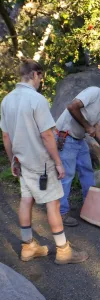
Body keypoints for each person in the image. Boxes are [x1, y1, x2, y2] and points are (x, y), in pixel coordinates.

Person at [0, 58, 88, 264]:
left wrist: (13, 159)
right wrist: (58, 162)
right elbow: (47, 136)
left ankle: (28, 246)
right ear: (35, 75)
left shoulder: (6, 100)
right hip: (41, 163)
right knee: (53, 204)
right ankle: (63, 251)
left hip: (22, 161)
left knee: (26, 200)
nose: (41, 82)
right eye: (41, 77)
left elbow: (6, 136)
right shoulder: (37, 100)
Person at [55, 82, 100, 226]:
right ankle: (60, 213)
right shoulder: (93, 92)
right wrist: (87, 126)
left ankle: (91, 207)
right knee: (66, 176)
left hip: (79, 140)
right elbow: (72, 107)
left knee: (87, 171)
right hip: (66, 137)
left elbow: (97, 129)